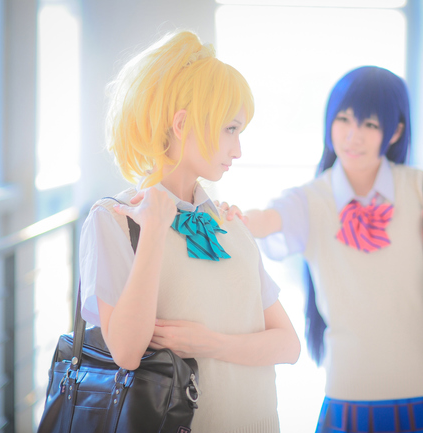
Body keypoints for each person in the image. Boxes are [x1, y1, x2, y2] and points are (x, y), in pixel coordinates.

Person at [225, 66, 423, 432]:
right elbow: (268, 219)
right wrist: (239, 219)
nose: (353, 135)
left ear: (395, 131)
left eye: (370, 124)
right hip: (352, 389)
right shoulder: (311, 199)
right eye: (344, 119)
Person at [78, 30, 300, 433]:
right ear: (182, 124)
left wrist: (211, 344)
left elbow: (289, 345)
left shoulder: (228, 224)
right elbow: (126, 351)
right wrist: (154, 230)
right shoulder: (115, 219)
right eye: (230, 129)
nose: (238, 150)